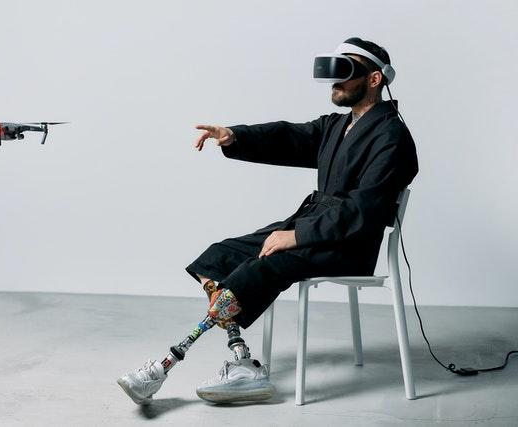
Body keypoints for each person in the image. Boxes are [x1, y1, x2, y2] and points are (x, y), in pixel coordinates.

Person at [117, 37, 419, 405]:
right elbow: (290, 136)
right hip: (314, 229)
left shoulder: (392, 136)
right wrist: (235, 137)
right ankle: (244, 360)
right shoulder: (338, 127)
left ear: (375, 79)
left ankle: (167, 366)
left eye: (346, 72)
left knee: (260, 267)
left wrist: (297, 236)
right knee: (219, 256)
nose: (334, 83)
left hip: (348, 243)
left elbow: (365, 209)